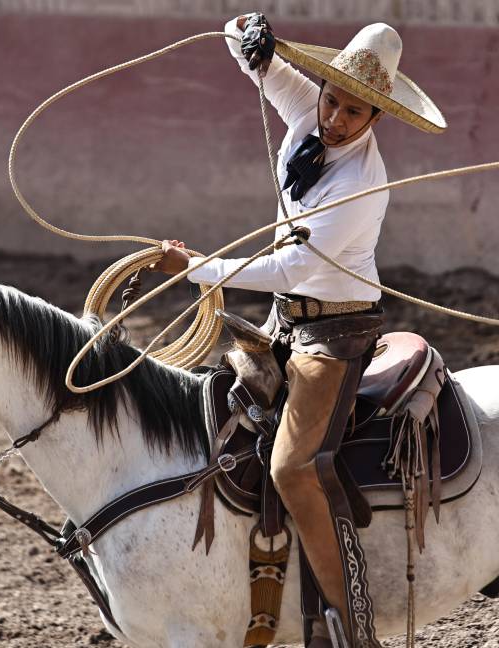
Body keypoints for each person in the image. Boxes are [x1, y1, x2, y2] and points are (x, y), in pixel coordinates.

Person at [150, 13, 445, 648]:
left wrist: (199, 268)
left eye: (353, 113)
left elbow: (295, 267)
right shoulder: (310, 112)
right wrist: (253, 33)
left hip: (335, 337)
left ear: (377, 119)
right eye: (332, 100)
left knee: (292, 468)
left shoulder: (362, 185)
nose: (335, 119)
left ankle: (348, 622)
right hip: (286, 319)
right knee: (217, 415)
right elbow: (245, 51)